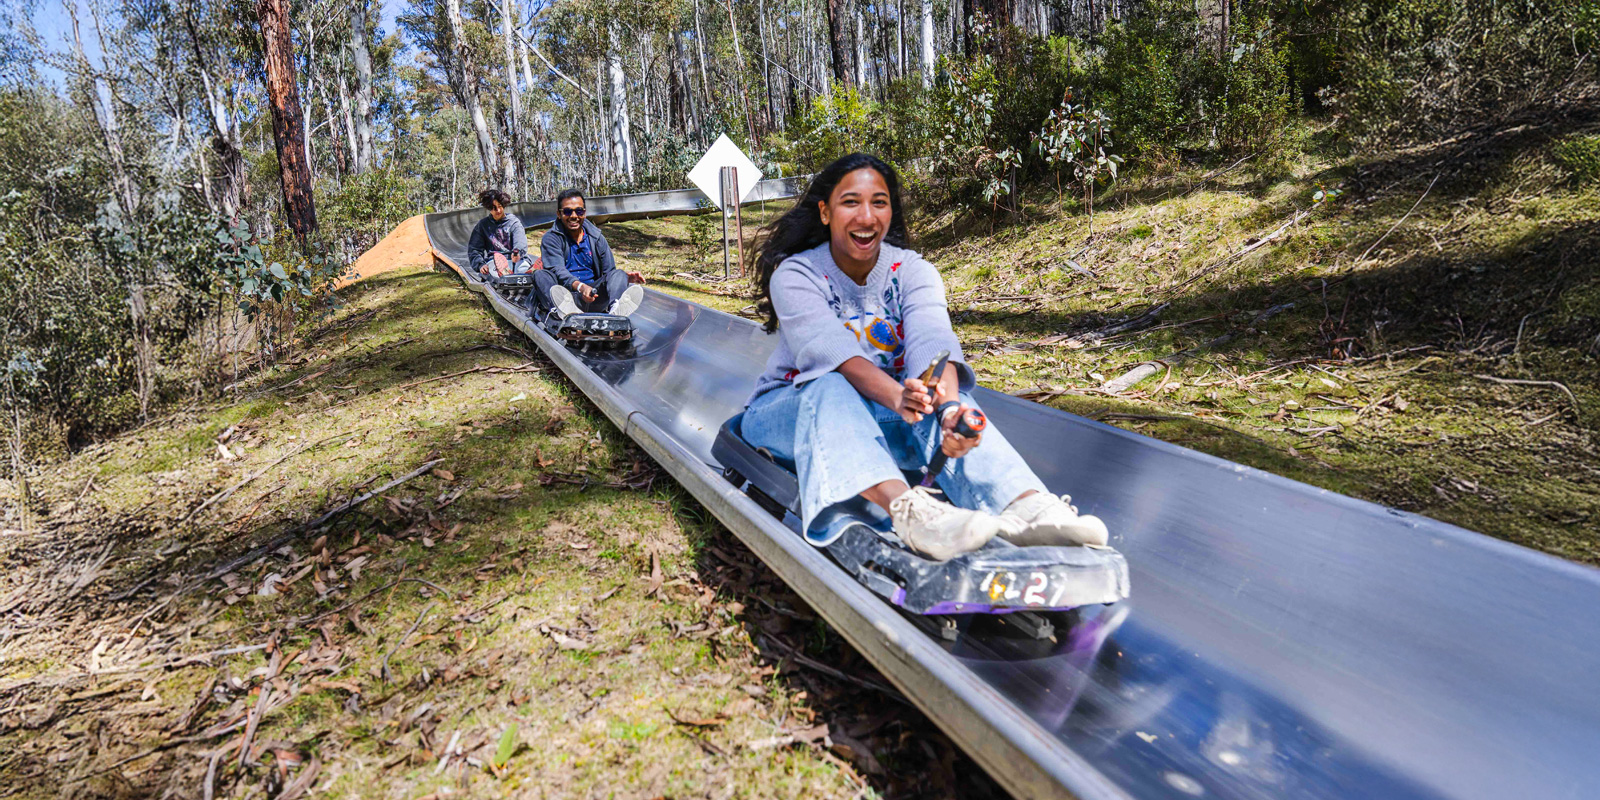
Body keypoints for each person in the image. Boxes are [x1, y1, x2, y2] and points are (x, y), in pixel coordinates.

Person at [740, 153, 1109, 561]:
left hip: (881, 417)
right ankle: (911, 514)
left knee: (950, 401)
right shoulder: (797, 274)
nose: (866, 217)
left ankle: (1026, 506)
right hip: (789, 414)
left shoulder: (912, 270)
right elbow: (835, 353)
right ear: (825, 212)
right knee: (830, 384)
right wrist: (899, 397)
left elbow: (932, 341)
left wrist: (947, 409)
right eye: (851, 202)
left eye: (879, 202)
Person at [534, 189, 646, 318]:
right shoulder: (551, 239)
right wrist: (581, 287)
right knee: (540, 275)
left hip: (594, 296)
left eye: (579, 211)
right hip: (565, 297)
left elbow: (609, 272)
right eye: (567, 211)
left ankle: (615, 310)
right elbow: (557, 270)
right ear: (559, 214)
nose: (574, 216)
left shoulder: (596, 237)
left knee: (618, 273)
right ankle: (562, 312)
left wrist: (622, 279)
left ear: (584, 213)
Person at [468, 189, 531, 277]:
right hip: (494, 261)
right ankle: (504, 275)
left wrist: (517, 253)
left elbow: (520, 241)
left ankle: (529, 273)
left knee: (522, 270)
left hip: (516, 260)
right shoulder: (483, 225)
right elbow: (474, 249)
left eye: (500, 206)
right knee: (494, 274)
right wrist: (480, 264)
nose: (498, 210)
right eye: (494, 208)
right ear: (489, 208)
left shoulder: (514, 222)